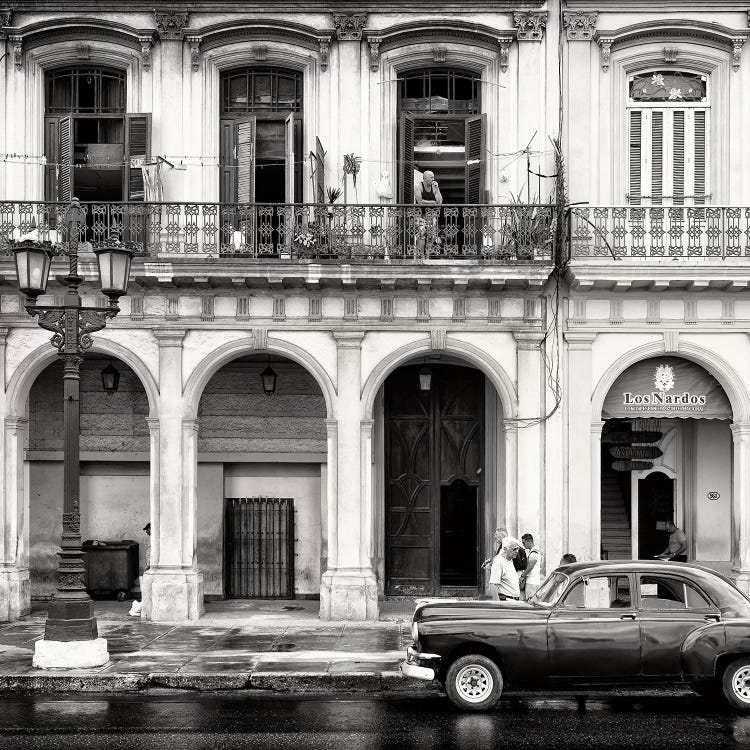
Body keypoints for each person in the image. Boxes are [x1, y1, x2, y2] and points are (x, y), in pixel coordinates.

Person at [129, 522, 151, 617]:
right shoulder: (154, 540)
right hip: (149, 569)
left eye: (147, 529)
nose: (146, 531)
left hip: (150, 569)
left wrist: (147, 567)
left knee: (147, 593)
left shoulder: (156, 541)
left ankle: (139, 608)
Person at [489, 536, 522, 601]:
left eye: (518, 549)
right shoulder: (499, 561)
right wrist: (498, 606)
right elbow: (493, 585)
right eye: (514, 549)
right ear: (505, 549)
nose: (517, 551)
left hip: (513, 601)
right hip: (506, 602)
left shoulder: (510, 560)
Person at [519, 533, 541, 601]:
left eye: (524, 543)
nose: (523, 545)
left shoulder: (534, 553)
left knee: (530, 602)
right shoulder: (536, 551)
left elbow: (531, 566)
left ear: (529, 541)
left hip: (531, 582)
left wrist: (522, 576)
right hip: (535, 581)